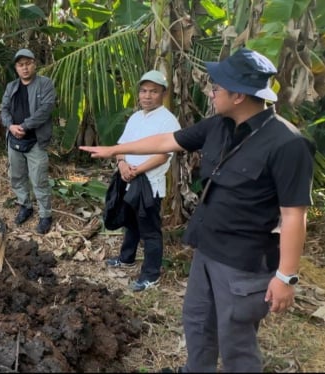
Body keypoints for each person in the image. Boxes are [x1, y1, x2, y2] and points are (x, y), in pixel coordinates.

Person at [80, 48, 314, 372]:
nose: (210, 91)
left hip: (244, 262)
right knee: (198, 321)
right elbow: (167, 141)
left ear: (238, 96)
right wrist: (115, 150)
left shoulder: (288, 144)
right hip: (206, 250)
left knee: (236, 343)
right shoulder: (217, 125)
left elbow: (293, 215)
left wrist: (286, 276)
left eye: (216, 87)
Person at [105, 70, 181, 292]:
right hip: (128, 178)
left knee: (149, 229)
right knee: (131, 223)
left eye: (153, 92)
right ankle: (126, 258)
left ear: (163, 94)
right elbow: (121, 146)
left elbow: (163, 154)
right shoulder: (136, 117)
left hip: (149, 183)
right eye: (144, 91)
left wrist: (137, 170)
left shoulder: (168, 121)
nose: (147, 96)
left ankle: (150, 275)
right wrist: (122, 164)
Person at [0, 48, 56, 234]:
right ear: (16, 68)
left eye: (28, 64)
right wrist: (10, 126)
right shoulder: (11, 87)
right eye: (20, 65)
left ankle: (45, 215)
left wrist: (24, 126)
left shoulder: (45, 84)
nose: (25, 68)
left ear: (34, 64)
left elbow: (45, 110)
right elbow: (4, 109)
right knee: (17, 176)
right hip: (14, 140)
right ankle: (25, 206)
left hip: (35, 141)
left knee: (39, 179)